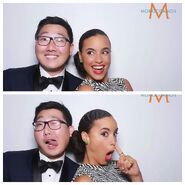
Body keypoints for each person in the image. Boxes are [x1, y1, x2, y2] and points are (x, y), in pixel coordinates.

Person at [3, 101, 79, 182]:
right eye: (40, 124)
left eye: (54, 123)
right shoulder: (8, 162)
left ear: (70, 131)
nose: (46, 131)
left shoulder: (80, 173)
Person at [3, 16, 82, 91]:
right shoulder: (8, 78)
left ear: (70, 48)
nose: (51, 48)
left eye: (59, 40)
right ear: (36, 44)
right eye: (44, 39)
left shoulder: (81, 86)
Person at [69, 109, 143, 182]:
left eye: (114, 134)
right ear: (85, 137)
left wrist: (136, 176)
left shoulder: (120, 166)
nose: (114, 141)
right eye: (104, 134)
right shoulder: (84, 180)